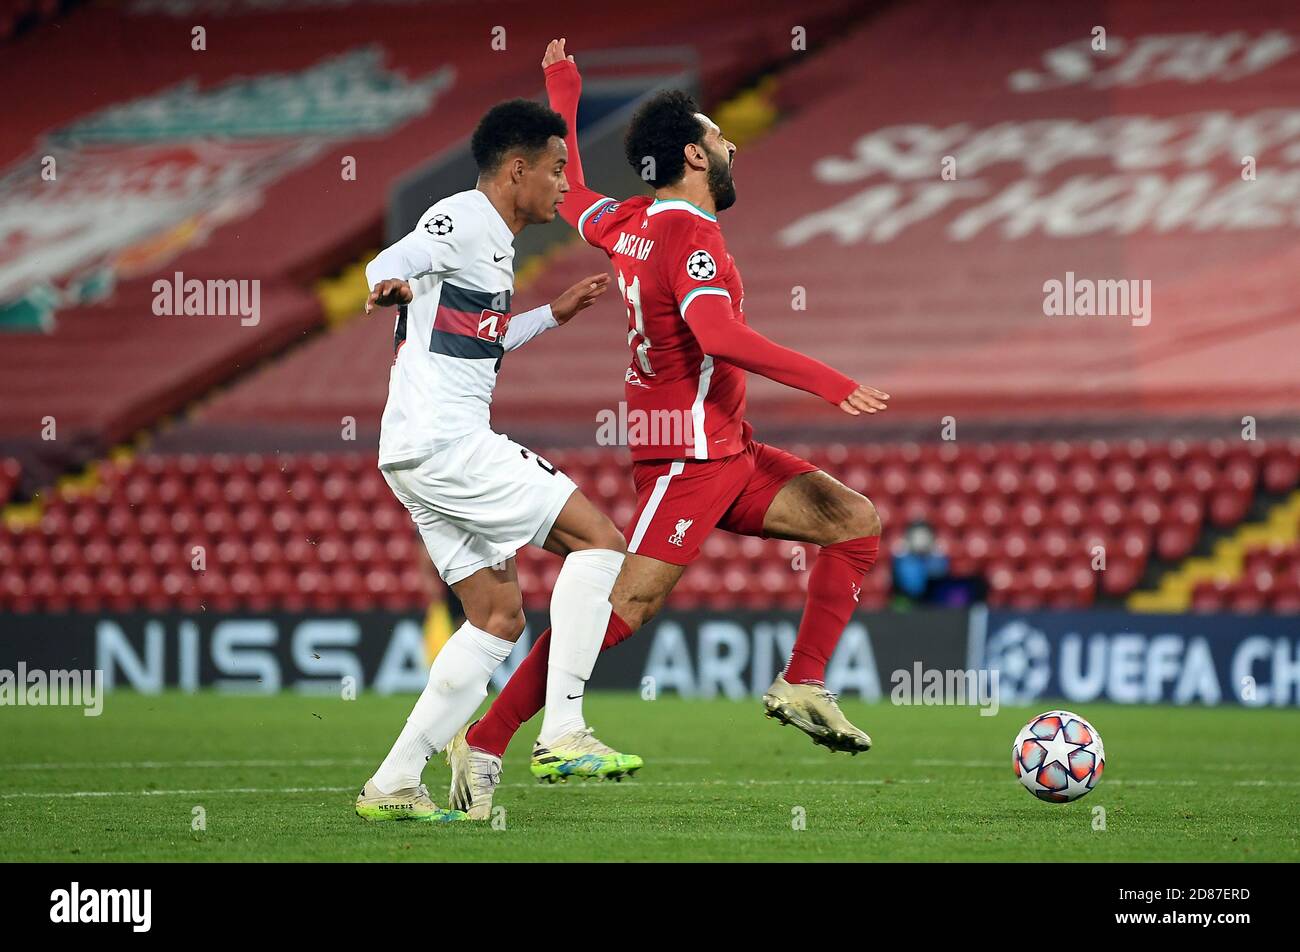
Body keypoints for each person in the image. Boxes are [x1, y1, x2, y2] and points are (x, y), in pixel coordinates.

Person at [447, 40, 891, 821]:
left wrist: (563, 89)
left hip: (726, 444)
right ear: (693, 154)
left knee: (853, 523)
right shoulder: (692, 241)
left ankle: (803, 681)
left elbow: (575, 188)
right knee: (620, 610)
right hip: (688, 451)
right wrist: (830, 380)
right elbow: (717, 334)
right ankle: (484, 741)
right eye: (721, 139)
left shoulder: (629, 220)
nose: (733, 147)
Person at [355, 97, 630, 822]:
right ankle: (564, 729)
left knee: (497, 617)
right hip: (448, 442)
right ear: (517, 170)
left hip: (413, 454)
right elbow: (399, 258)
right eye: (557, 169)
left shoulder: (495, 245)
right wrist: (384, 282)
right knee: (600, 541)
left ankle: (392, 783)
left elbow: (481, 341)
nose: (566, 185)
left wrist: (552, 315)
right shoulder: (464, 218)